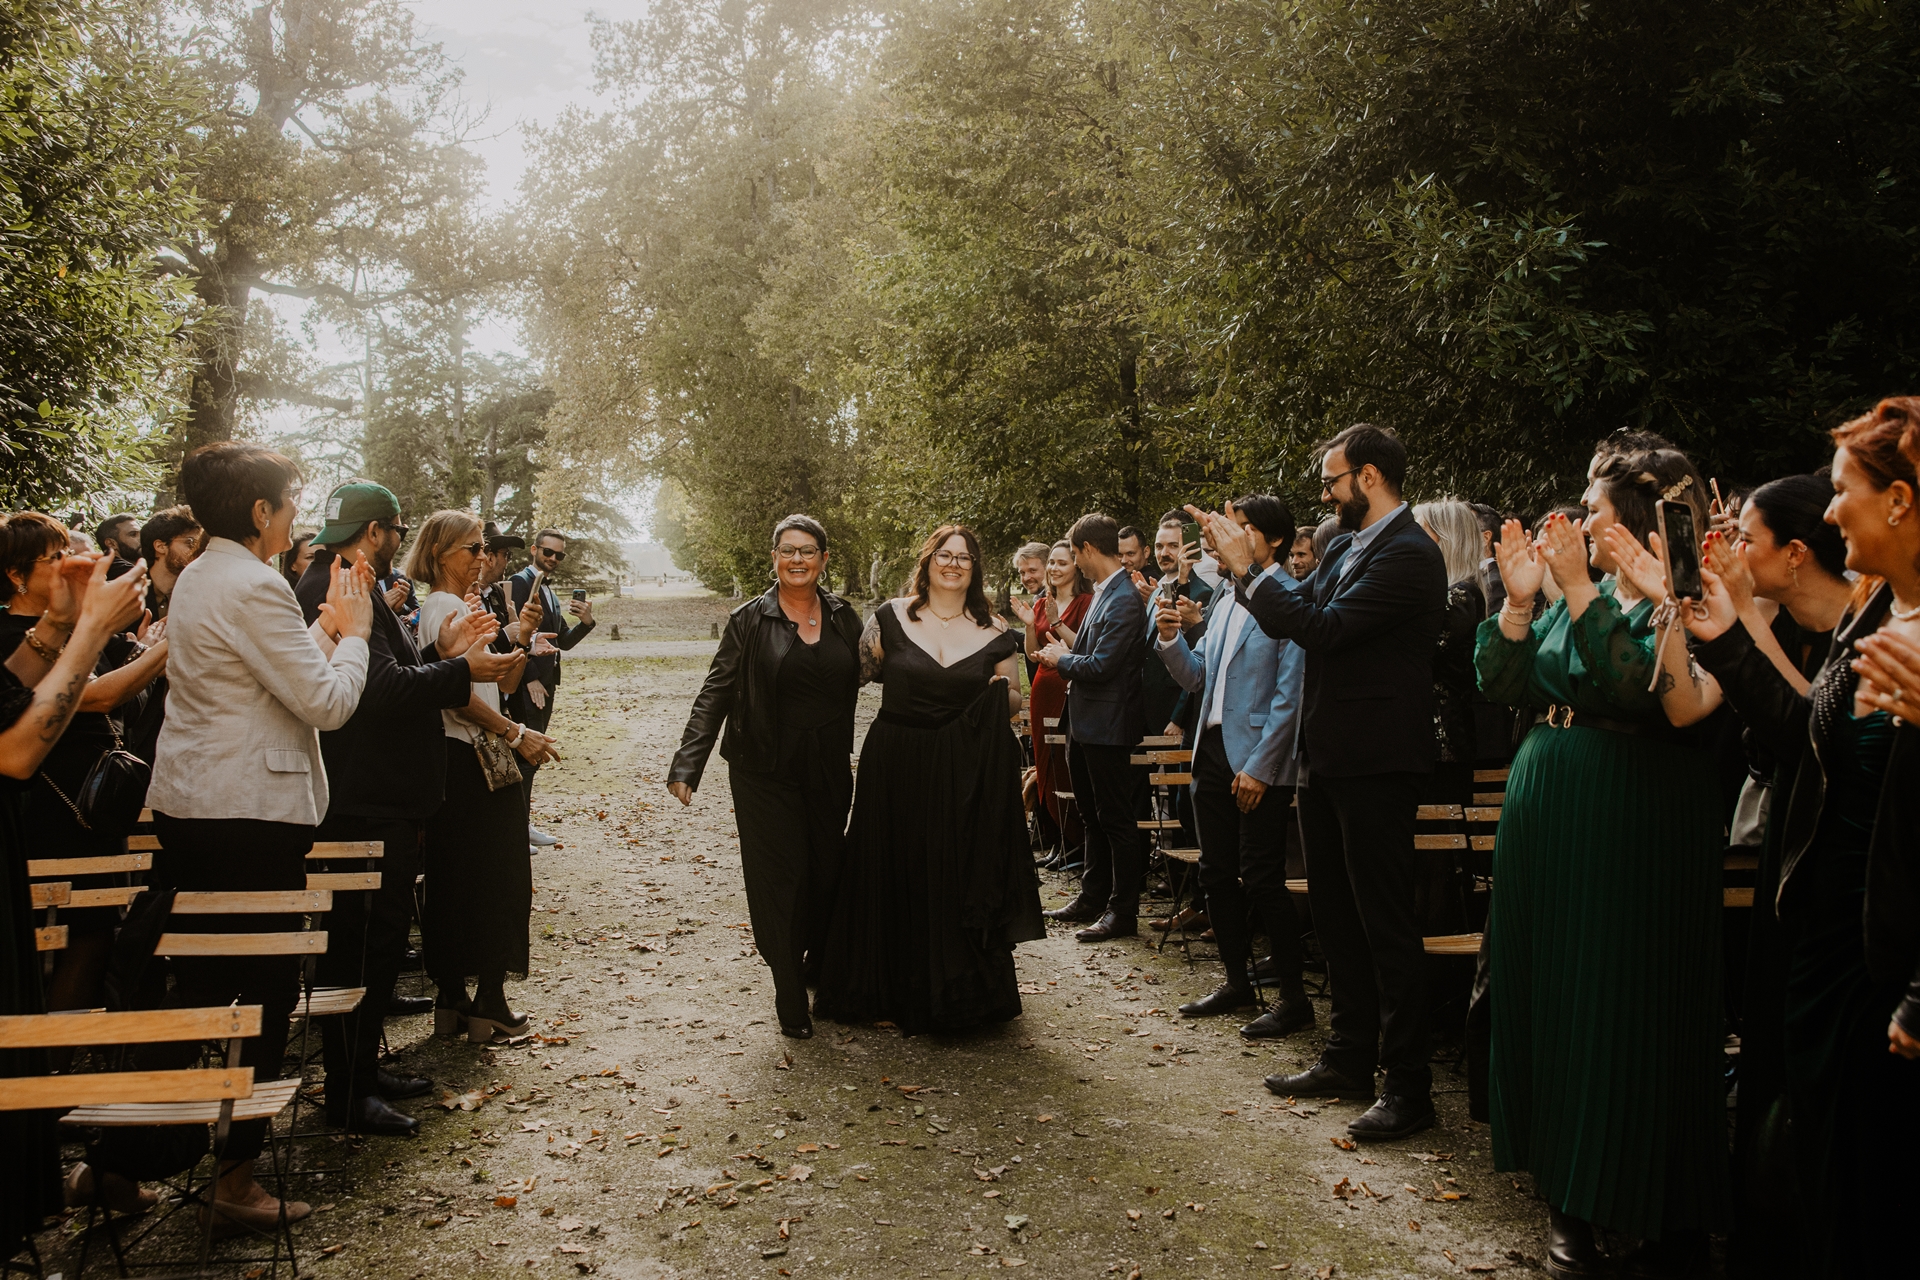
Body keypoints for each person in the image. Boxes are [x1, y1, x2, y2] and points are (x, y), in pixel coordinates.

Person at [1477, 444, 1731, 1276]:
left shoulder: (1679, 596)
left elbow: (1633, 688)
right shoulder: (1576, 591)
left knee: (1619, 999)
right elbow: (1505, 681)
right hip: (1547, 813)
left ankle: (1651, 1201)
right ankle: (1566, 1197)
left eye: (1596, 508)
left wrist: (1581, 586)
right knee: (1552, 996)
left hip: (1630, 815)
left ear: (1636, 518)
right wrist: (1520, 604)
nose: (1582, 520)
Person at [1690, 401, 1920, 1277]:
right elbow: (1803, 734)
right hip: (1819, 938)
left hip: (1883, 959)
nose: (1828, 513)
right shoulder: (1875, 614)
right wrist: (1725, 636)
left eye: (1842, 492)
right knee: (1823, 1183)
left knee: (1877, 1194)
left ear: (1899, 502)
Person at [1190, 423, 1446, 1142]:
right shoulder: (1348, 547)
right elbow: (1298, 617)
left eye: (1332, 480)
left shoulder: (1408, 554)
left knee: (1384, 925)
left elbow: (1322, 629)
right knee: (1335, 918)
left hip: (1379, 763)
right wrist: (1239, 571)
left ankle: (1409, 1086)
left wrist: (1254, 569)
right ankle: (1348, 1057)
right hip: (1328, 760)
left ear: (1368, 477)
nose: (1326, 494)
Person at [146, 440, 375, 1234]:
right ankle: (235, 1179)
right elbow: (327, 706)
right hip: (247, 814)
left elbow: (259, 682)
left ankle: (142, 1157)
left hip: (195, 802)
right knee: (263, 995)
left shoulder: (204, 575)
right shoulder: (252, 584)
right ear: (258, 512)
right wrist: (355, 636)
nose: (294, 516)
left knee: (205, 989)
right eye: (288, 502)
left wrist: (315, 631)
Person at [295, 484, 521, 1135]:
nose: (400, 538)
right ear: (375, 532)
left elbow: (395, 668)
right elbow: (381, 691)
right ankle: (349, 1090)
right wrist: (462, 670)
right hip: (365, 800)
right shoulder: (337, 586)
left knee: (380, 943)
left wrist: (445, 655)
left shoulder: (357, 579)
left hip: (384, 797)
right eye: (396, 527)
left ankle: (362, 1072)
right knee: (360, 948)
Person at [814, 525, 1042, 1032]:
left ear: (975, 568)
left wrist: (998, 690)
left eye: (964, 557)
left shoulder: (995, 632)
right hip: (895, 760)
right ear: (929, 560)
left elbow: (1013, 703)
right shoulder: (889, 618)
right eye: (945, 554)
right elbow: (849, 677)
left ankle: (952, 989)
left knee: (951, 868)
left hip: (962, 769)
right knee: (891, 865)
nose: (954, 564)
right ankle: (883, 990)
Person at [0, 538, 148, 1254]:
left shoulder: (26, 632)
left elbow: (9, 687)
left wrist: (58, 626)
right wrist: (89, 628)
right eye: (50, 553)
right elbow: (17, 748)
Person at [667, 515, 863, 1037]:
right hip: (764, 770)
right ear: (773, 558)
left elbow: (881, 671)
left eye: (808, 551)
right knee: (780, 878)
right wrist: (689, 761)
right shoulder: (749, 620)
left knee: (825, 871)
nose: (797, 560)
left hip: (827, 770)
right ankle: (787, 987)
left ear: (824, 559)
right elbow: (716, 691)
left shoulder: (846, 617)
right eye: (787, 551)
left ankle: (815, 964)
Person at [1154, 495, 1312, 1035]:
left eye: (1239, 530)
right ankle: (1237, 983)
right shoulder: (1224, 599)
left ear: (1269, 541)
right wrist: (1172, 641)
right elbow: (1200, 678)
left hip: (1258, 762)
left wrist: (1264, 768)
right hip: (1212, 754)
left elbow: (1291, 697)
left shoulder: (1291, 599)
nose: (1224, 539)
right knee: (1217, 873)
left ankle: (1294, 1000)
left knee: (1264, 878)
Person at [0, 513, 168, 1016]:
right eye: (57, 558)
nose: (75, 565)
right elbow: (89, 701)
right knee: (74, 939)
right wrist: (101, 628)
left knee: (92, 937)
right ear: (16, 575)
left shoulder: (50, 627)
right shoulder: (7, 630)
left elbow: (127, 699)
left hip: (90, 810)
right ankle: (47, 1078)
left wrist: (67, 623)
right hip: (55, 810)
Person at [408, 511, 556, 1044]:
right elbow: (458, 694)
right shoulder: (444, 607)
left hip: (465, 757)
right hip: (471, 754)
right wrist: (517, 735)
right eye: (472, 549)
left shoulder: (465, 606)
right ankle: (488, 1000)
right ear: (441, 553)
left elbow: (502, 677)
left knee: (455, 879)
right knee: (500, 878)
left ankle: (453, 999)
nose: (482, 559)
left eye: (482, 549)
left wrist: (522, 634)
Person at [1036, 513, 1150, 941]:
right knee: (1091, 815)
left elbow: (1103, 665)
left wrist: (1058, 660)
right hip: (1084, 721)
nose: (1075, 564)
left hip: (1108, 724)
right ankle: (1091, 897)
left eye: (1075, 554)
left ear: (1086, 550)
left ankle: (1122, 911)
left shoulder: (1123, 598)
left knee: (1115, 819)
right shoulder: (1106, 591)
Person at [511, 529, 596, 846]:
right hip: (527, 682)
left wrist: (586, 622)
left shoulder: (547, 591)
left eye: (559, 555)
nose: (553, 559)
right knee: (527, 755)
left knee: (532, 758)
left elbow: (563, 642)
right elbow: (519, 632)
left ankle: (522, 825)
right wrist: (530, 675)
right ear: (534, 550)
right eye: (548, 552)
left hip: (548, 683)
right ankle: (517, 829)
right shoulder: (521, 583)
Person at [1013, 541, 1090, 862]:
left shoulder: (1086, 602)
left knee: (1065, 764)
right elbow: (1032, 651)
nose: (1055, 571)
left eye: (1061, 564)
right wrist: (1031, 624)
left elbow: (1085, 647)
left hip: (1067, 685)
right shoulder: (1043, 601)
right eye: (1053, 565)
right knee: (1044, 766)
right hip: (1042, 687)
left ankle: (1076, 840)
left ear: (1075, 566)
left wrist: (1058, 621)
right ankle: (1057, 840)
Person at [139, 505, 201, 623]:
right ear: (160, 546)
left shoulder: (198, 595)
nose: (198, 550)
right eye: (190, 543)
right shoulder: (129, 594)